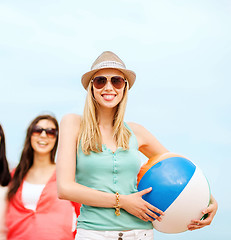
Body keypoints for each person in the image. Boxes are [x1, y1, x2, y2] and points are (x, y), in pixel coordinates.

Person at [56, 51, 218, 240]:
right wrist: (122, 201)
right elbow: (64, 189)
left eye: (116, 81)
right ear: (92, 87)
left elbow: (178, 171)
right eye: (100, 81)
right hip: (92, 233)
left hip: (140, 233)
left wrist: (210, 200)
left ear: (125, 87)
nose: (108, 87)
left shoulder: (137, 132)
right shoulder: (73, 124)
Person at [7, 114, 80, 240]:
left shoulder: (66, 174)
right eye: (38, 130)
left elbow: (82, 213)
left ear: (57, 138)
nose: (43, 135)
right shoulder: (15, 175)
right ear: (30, 135)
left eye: (51, 132)